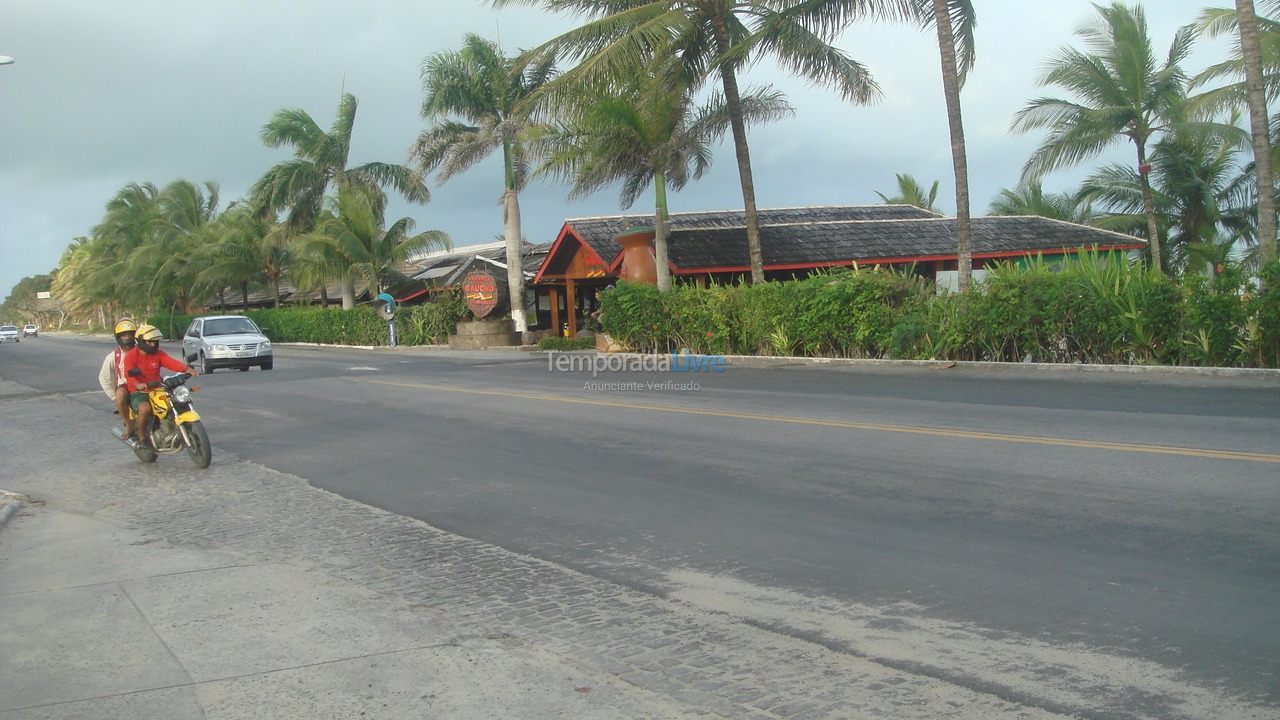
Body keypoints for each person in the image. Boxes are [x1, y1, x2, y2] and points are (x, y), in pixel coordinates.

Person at [122, 324, 198, 450]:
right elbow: (129, 375)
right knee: (145, 409)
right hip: (139, 392)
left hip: (157, 388)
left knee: (177, 401)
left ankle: (172, 429)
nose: (153, 345)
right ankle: (142, 439)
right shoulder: (131, 356)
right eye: (150, 342)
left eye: (155, 342)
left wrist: (187, 369)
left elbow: (170, 362)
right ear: (141, 341)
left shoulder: (158, 354)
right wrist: (138, 384)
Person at [98, 319, 138, 444]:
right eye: (124, 335)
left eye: (131, 334)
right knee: (120, 395)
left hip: (145, 384)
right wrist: (113, 397)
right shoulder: (113, 356)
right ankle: (128, 424)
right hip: (126, 386)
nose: (128, 338)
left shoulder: (143, 351)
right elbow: (104, 377)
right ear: (119, 337)